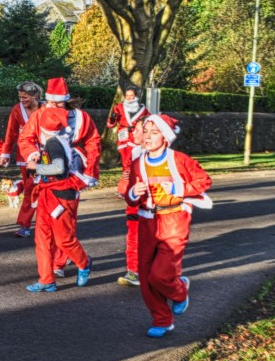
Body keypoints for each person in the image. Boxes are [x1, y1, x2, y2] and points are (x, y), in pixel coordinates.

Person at [121, 113, 213, 337]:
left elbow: (204, 181)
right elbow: (128, 193)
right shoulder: (136, 163)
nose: (148, 137)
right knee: (145, 277)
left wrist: (178, 190)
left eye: (154, 133)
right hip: (147, 220)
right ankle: (162, 321)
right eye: (146, 132)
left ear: (166, 137)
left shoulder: (180, 159)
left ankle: (180, 291)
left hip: (174, 219)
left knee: (160, 275)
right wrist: (134, 192)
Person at [17, 77, 101, 291]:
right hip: (45, 179)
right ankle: (46, 279)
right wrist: (33, 156)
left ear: (66, 101)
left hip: (69, 180)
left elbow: (93, 141)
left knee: (64, 233)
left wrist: (89, 171)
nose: (54, 108)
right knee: (42, 234)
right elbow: (25, 139)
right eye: (51, 103)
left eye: (59, 104)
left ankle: (75, 262)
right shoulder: (38, 116)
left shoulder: (80, 118)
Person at [105, 84, 151, 286]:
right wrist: (114, 120)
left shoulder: (144, 111)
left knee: (150, 237)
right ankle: (134, 271)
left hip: (150, 203)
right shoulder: (118, 108)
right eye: (128, 95)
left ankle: (157, 271)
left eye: (132, 95)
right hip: (125, 139)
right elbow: (109, 124)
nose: (129, 98)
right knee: (127, 167)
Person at [2, 81, 42, 237]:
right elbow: (11, 133)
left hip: (46, 155)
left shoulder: (45, 108)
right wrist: (5, 153)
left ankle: (49, 222)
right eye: (20, 97)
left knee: (48, 188)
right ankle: (24, 224)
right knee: (30, 188)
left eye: (25, 97)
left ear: (35, 96)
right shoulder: (16, 110)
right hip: (25, 156)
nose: (22, 100)